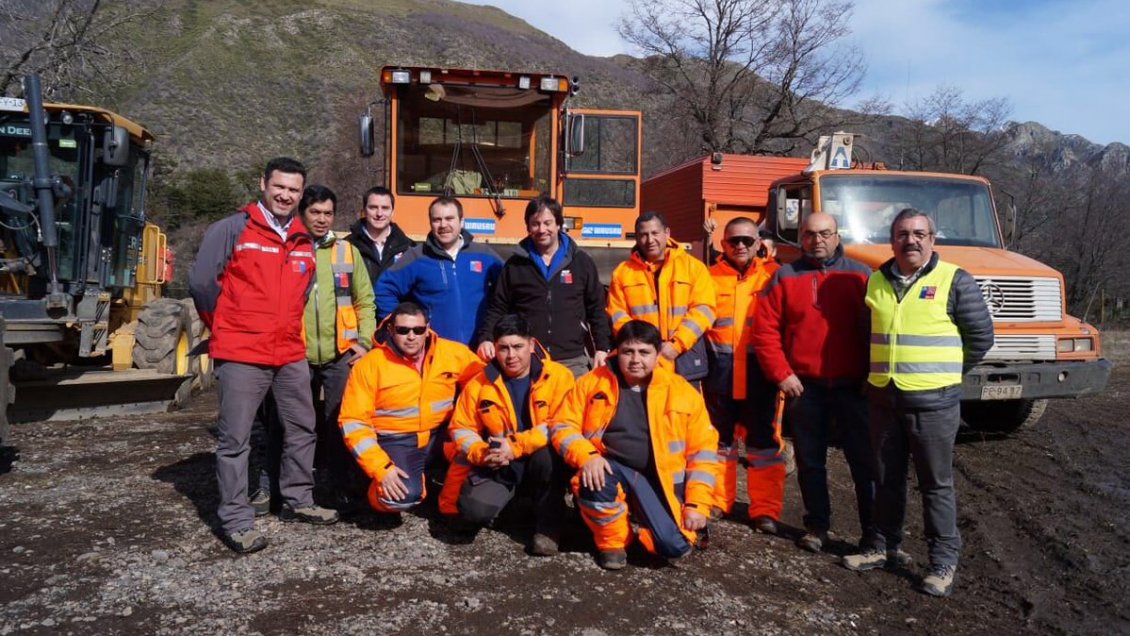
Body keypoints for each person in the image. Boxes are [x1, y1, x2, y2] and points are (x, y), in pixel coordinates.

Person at [189, 157, 338, 554]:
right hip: (242, 352)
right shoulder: (233, 229)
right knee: (235, 439)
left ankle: (298, 500)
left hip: (289, 352)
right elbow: (203, 283)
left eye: (293, 189)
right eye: (280, 187)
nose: (286, 195)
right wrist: (226, 326)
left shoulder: (304, 238)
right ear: (263, 184)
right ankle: (237, 519)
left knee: (303, 427)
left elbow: (302, 293)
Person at [842, 208, 993, 598]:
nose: (911, 240)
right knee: (885, 479)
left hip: (934, 402)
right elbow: (865, 334)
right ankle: (883, 547)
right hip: (884, 399)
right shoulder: (876, 280)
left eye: (919, 233)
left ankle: (942, 562)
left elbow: (980, 338)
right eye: (903, 234)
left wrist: (945, 375)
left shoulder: (955, 280)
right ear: (892, 240)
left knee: (936, 485)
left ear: (932, 239)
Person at [552, 320, 719, 570]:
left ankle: (640, 519)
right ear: (617, 351)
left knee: (675, 546)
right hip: (611, 466)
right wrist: (587, 457)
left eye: (644, 352)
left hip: (660, 480)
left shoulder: (681, 391)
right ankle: (614, 542)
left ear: (657, 353)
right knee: (593, 480)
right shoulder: (592, 382)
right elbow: (562, 425)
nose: (635, 359)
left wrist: (697, 504)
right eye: (628, 351)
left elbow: (702, 454)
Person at [752, 212, 874, 553]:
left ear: (837, 236)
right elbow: (764, 332)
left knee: (865, 462)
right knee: (811, 461)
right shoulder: (784, 277)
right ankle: (817, 526)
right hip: (805, 386)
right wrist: (782, 373)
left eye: (824, 233)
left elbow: (879, 332)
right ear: (800, 238)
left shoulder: (861, 276)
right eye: (809, 234)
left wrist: (871, 376)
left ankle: (873, 534)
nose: (817, 240)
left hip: (854, 386)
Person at [337, 302, 484, 515]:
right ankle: (373, 486)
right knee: (399, 499)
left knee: (482, 452)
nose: (411, 336)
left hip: (441, 435)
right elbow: (353, 423)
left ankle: (447, 496)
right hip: (396, 440)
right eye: (403, 330)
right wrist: (380, 468)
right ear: (390, 330)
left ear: (427, 328)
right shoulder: (370, 365)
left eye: (418, 330)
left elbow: (486, 383)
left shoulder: (452, 353)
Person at [446, 314, 575, 555]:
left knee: (548, 457)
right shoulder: (479, 383)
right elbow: (461, 428)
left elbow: (561, 425)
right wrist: (481, 452)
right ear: (494, 349)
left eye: (518, 347)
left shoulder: (559, 376)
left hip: (540, 458)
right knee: (473, 511)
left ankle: (548, 529)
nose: (511, 355)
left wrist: (516, 446)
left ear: (532, 345)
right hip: (500, 464)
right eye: (503, 348)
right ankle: (516, 505)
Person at [476, 196, 611, 377]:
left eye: (547, 223)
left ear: (558, 224)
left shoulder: (581, 262)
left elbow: (597, 309)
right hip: (529, 361)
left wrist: (602, 347)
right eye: (535, 224)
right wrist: (486, 338)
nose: (542, 229)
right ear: (528, 227)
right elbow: (498, 307)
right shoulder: (515, 265)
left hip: (572, 361)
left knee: (574, 406)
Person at [703, 218, 781, 528]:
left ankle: (765, 510)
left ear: (759, 243)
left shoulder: (773, 278)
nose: (740, 246)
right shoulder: (707, 278)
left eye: (747, 241)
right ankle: (718, 501)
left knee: (764, 445)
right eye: (733, 240)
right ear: (723, 244)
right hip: (719, 375)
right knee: (720, 443)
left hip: (761, 375)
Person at [375, 196, 503, 347]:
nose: (443, 225)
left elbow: (509, 289)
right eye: (437, 220)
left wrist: (495, 333)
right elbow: (384, 289)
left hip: (478, 350)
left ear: (461, 221)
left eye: (449, 218)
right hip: (435, 352)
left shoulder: (484, 255)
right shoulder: (417, 257)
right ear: (430, 223)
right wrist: (402, 325)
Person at [607, 212, 716, 382]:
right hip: (641, 362)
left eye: (655, 233)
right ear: (636, 237)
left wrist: (676, 345)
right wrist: (644, 348)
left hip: (684, 357)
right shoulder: (622, 273)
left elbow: (704, 310)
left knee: (685, 408)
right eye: (644, 235)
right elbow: (617, 315)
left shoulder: (694, 268)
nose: (650, 240)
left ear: (667, 233)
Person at [345, 186, 415, 301]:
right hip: (358, 316)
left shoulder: (408, 248)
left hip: (394, 316)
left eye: (385, 208)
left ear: (393, 212)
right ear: (364, 210)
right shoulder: (347, 246)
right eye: (373, 207)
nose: (379, 213)